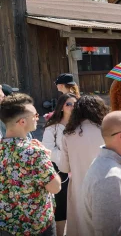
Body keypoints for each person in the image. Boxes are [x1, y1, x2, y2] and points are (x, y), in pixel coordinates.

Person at [0, 93, 61, 235]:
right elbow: (55, 187)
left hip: (6, 225)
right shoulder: (34, 152)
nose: (37, 118)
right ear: (22, 122)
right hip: (36, 226)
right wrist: (47, 160)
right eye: (35, 115)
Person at [59, 95, 108, 236]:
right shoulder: (107, 130)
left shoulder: (68, 134)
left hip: (80, 187)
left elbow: (64, 168)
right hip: (106, 184)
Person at [42, 93, 77, 236]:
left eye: (75, 104)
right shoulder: (53, 127)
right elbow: (48, 148)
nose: (72, 107)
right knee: (61, 207)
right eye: (69, 104)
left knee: (78, 205)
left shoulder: (81, 124)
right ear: (62, 106)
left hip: (79, 168)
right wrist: (65, 161)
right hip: (60, 170)